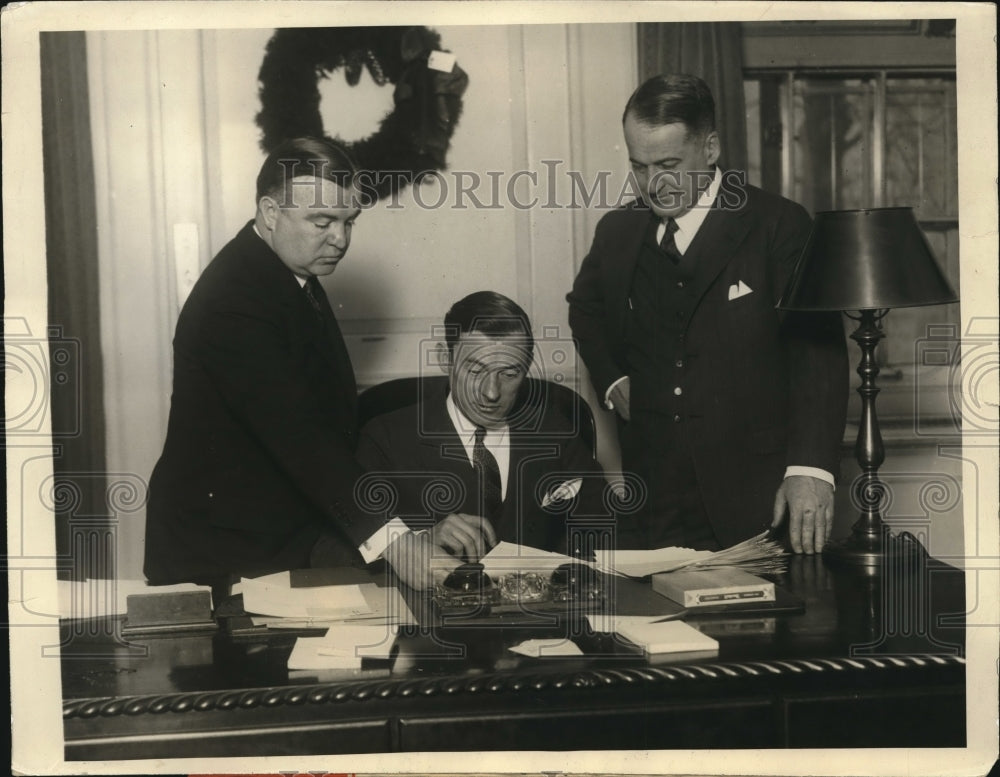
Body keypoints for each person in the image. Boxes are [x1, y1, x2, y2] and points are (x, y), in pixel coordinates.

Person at [145, 137, 445, 591]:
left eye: (348, 222)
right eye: (321, 221)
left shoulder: (286, 268)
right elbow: (301, 436)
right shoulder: (235, 301)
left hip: (272, 533)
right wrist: (397, 543)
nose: (340, 240)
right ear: (270, 214)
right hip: (219, 553)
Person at [567, 74, 848, 554]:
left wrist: (810, 470)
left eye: (669, 164)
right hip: (651, 500)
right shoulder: (617, 231)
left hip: (756, 496)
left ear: (711, 148)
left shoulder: (779, 225)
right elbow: (585, 308)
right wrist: (613, 379)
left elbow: (817, 352)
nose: (654, 185)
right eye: (640, 167)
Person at [356, 291, 610, 561]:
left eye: (509, 374)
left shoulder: (555, 432)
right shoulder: (386, 438)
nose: (491, 393)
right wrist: (419, 541)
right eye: (475, 371)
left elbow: (608, 526)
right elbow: (333, 550)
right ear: (445, 358)